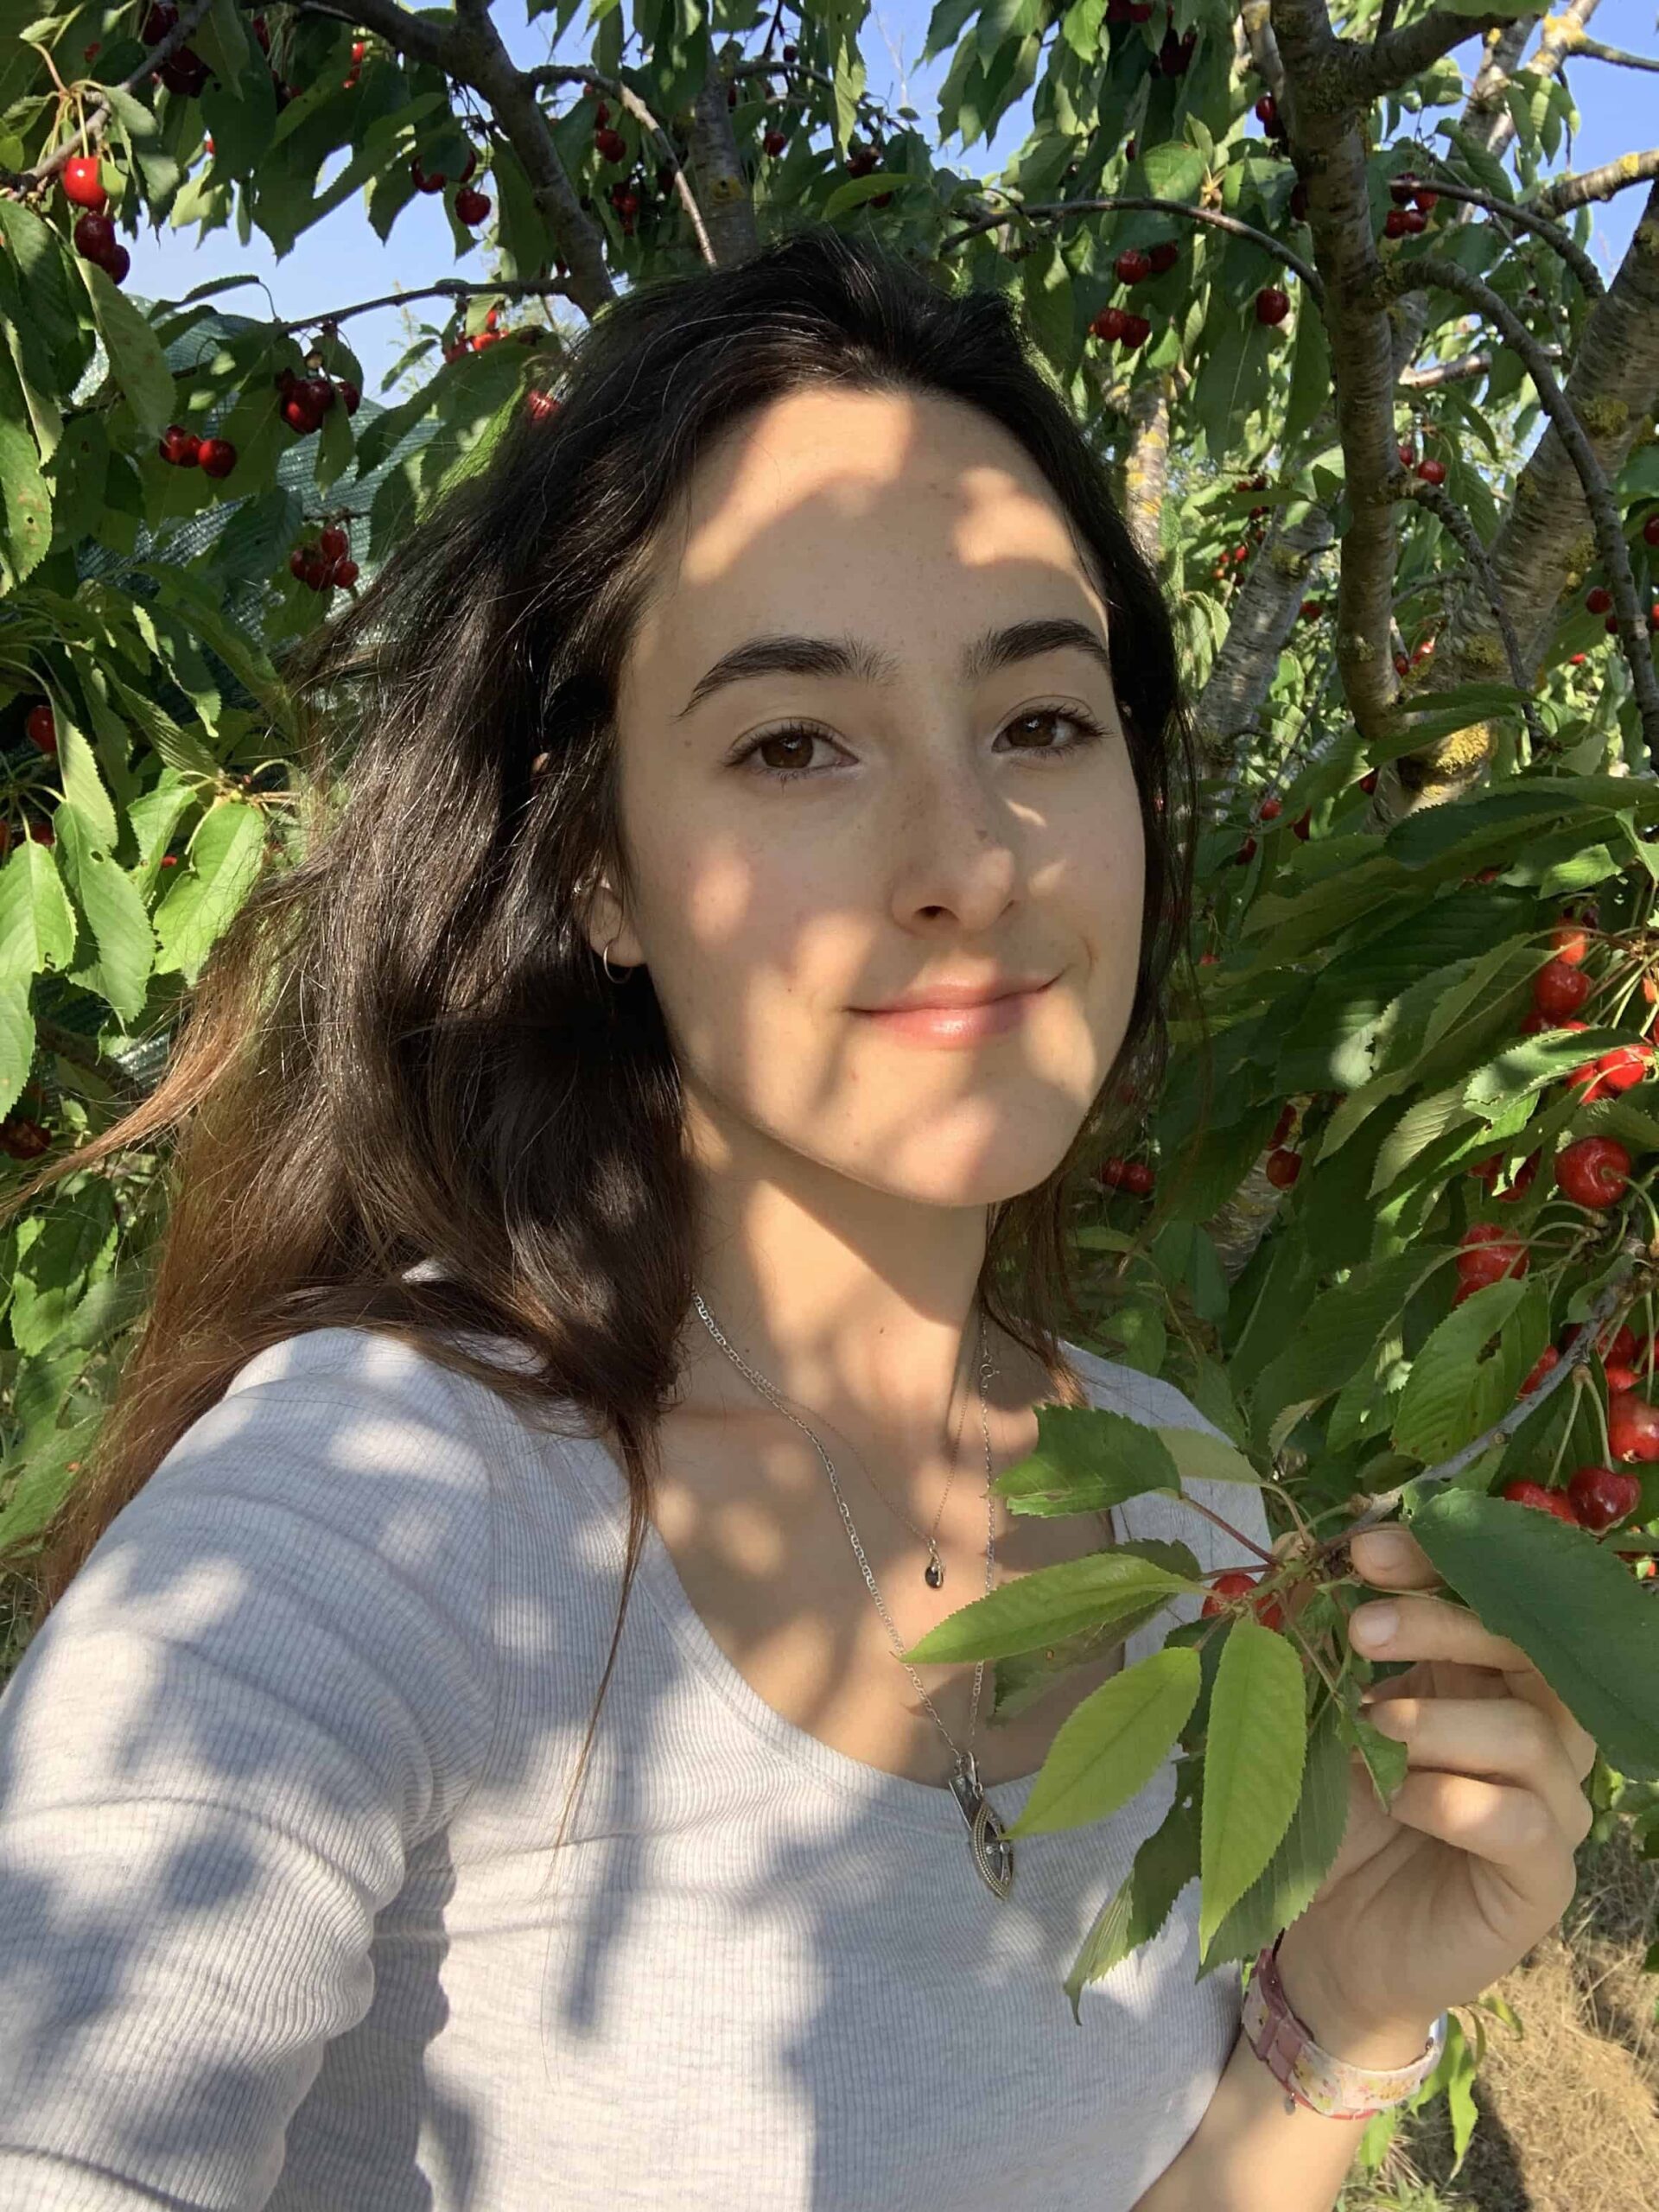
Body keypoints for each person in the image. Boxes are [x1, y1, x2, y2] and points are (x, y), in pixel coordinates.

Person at [0, 226, 1597, 2211]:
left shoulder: (1190, 1513)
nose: (970, 859)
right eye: (792, 743)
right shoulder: (377, 1505)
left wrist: (1341, 2006)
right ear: (599, 868)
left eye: (1042, 721)